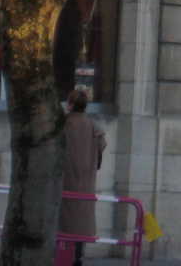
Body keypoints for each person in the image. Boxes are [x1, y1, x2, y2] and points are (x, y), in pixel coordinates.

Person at [60, 88, 106, 266]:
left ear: (70, 105)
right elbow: (102, 146)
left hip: (64, 182)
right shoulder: (93, 126)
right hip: (85, 184)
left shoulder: (62, 124)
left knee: (63, 226)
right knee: (79, 225)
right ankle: (77, 258)